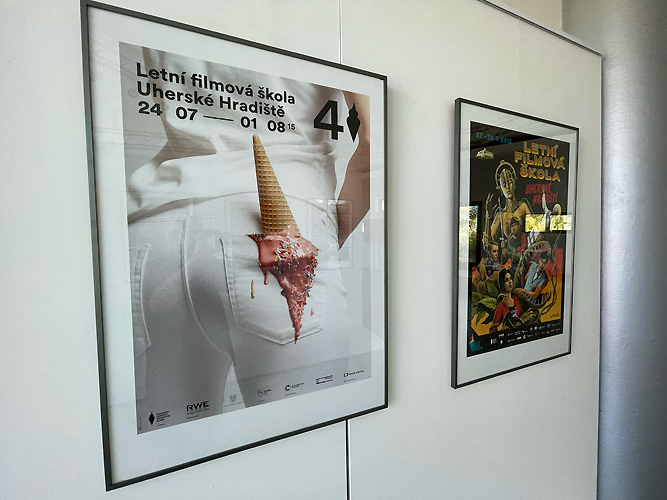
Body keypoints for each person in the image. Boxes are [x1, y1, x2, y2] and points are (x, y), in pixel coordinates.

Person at [124, 45, 373, 432]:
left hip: (153, 230)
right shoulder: (329, 28)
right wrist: (328, 237)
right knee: (310, 447)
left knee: (171, 449)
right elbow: (375, 142)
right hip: (281, 225)